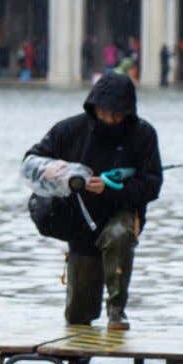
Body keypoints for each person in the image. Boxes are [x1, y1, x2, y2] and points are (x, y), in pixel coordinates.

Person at [24, 72, 162, 330]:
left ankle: (117, 309)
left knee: (119, 236)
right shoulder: (68, 130)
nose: (110, 120)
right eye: (104, 113)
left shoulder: (143, 135)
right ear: (94, 107)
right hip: (79, 219)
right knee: (79, 312)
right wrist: (56, 171)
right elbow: (33, 160)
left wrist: (111, 190)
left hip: (120, 212)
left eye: (117, 115)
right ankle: (80, 360)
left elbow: (152, 184)